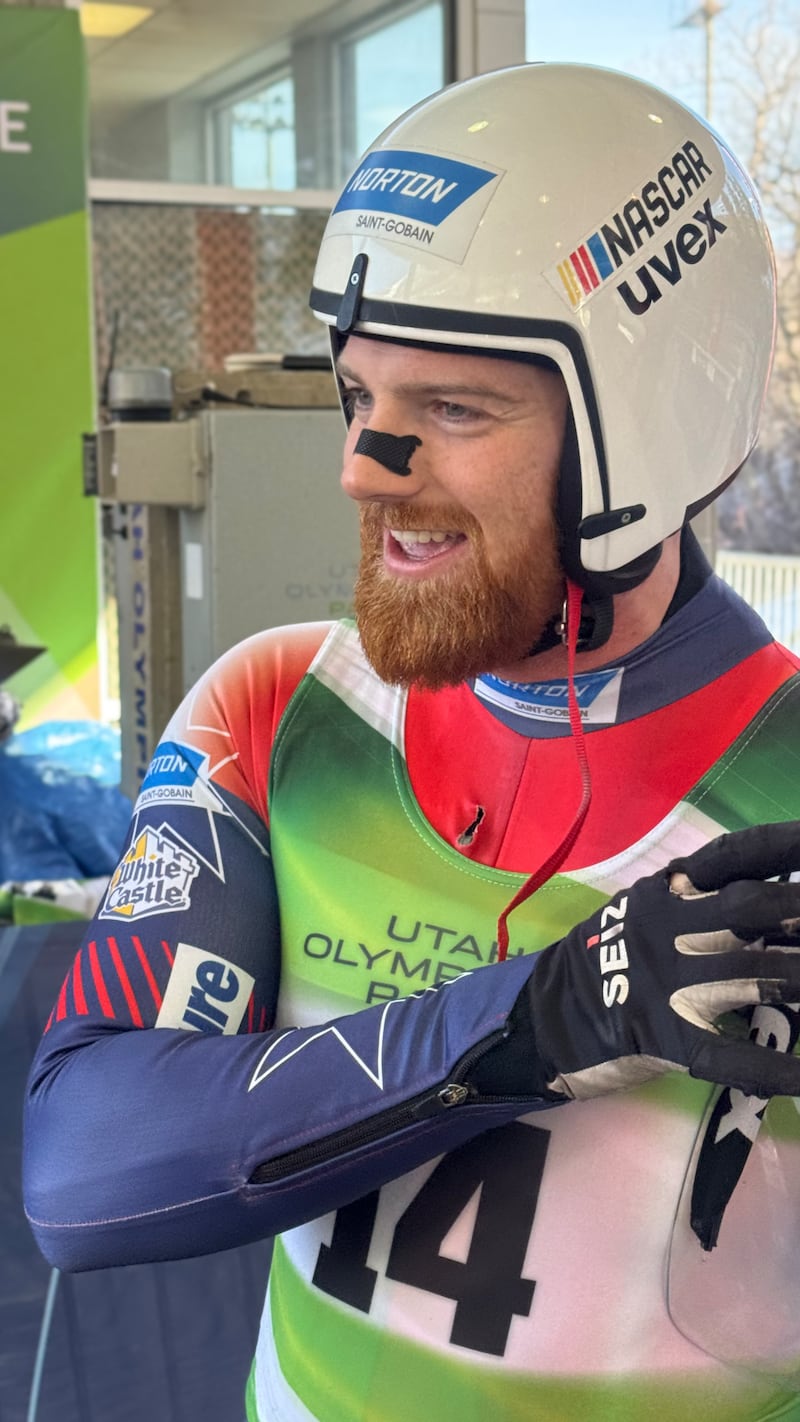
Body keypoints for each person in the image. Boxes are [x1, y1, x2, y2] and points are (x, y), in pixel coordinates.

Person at [23, 62, 800, 1422]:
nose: (365, 466)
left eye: (452, 407)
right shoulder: (280, 704)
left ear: (651, 428)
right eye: (360, 391)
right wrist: (541, 1019)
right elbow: (84, 1165)